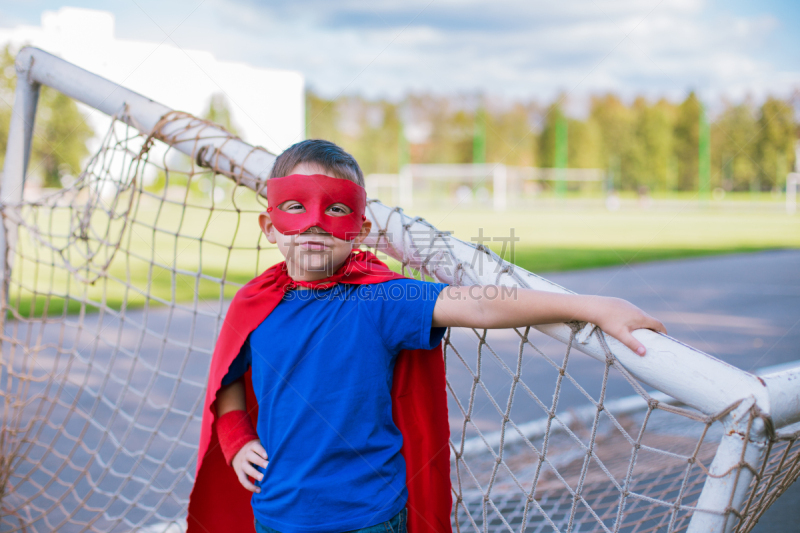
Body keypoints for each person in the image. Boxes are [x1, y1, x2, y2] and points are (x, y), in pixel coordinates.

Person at [187, 140, 666, 533]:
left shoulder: (383, 301)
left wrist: (594, 306)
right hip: (277, 514)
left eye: (335, 209)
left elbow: (481, 302)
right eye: (295, 207)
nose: (313, 222)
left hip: (368, 517)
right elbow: (231, 371)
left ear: (360, 229)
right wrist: (233, 434)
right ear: (270, 227)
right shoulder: (255, 303)